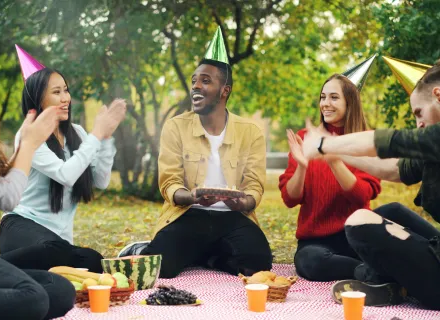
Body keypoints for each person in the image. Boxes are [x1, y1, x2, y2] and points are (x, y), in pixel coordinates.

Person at [117, 27, 272, 278]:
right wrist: (190, 197)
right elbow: (169, 182)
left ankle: (206, 255)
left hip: (232, 218)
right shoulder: (175, 126)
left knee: (257, 266)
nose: (196, 87)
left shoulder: (250, 131)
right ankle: (149, 248)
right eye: (194, 81)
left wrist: (244, 201)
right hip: (189, 213)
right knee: (161, 269)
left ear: (225, 91)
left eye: (206, 81)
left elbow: (255, 185)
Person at [302, 62, 440, 310]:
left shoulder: (435, 138)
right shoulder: (432, 148)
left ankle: (391, 280)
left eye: (419, 113)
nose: (418, 123)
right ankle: (396, 279)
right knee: (377, 216)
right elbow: (395, 169)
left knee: (359, 222)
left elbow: (387, 142)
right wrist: (333, 154)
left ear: (437, 95)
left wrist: (324, 144)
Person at [0, 42, 75, 320]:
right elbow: (8, 198)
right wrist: (30, 145)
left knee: (59, 290)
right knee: (32, 297)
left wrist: (25, 143)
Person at [0, 66, 126, 273]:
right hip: (20, 226)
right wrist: (96, 135)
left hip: (57, 242)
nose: (65, 98)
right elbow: (65, 175)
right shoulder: (30, 135)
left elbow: (101, 181)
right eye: (56, 92)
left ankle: (29, 274)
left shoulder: (78, 133)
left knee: (95, 261)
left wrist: (106, 139)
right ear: (39, 99)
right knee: (55, 250)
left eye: (66, 90)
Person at [279, 74, 381, 281]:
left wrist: (334, 160)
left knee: (393, 222)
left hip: (356, 235)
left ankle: (374, 271)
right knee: (309, 261)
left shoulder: (367, 140)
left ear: (349, 102)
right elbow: (290, 199)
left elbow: (362, 197)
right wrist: (301, 165)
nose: (325, 104)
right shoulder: (306, 137)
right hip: (315, 241)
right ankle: (369, 273)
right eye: (323, 97)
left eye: (334, 97)